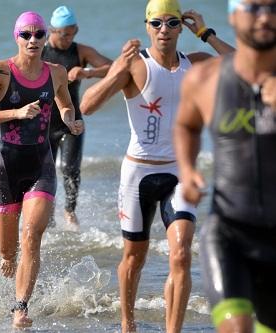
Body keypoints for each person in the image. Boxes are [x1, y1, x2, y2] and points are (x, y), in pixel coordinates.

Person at [79, 0, 234, 331]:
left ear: (182, 27)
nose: (164, 30)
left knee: (181, 255)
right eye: (157, 23)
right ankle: (128, 324)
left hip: (178, 173)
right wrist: (119, 66)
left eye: (172, 23)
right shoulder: (136, 66)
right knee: (134, 258)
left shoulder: (197, 64)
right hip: (138, 175)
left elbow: (245, 66)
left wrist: (206, 33)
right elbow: (87, 106)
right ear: (147, 27)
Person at [0, 11, 84, 328]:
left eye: (38, 34)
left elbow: (65, 102)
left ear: (45, 37)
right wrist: (17, 112)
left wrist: (69, 118)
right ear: (16, 37)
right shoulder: (1, 72)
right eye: (26, 35)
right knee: (8, 254)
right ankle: (5, 274)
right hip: (5, 167)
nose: (33, 40)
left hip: (41, 166)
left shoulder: (57, 72)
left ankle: (20, 307)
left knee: (31, 237)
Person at [174, 0, 276, 332]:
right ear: (233, 15)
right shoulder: (205, 79)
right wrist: (188, 171)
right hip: (229, 232)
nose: (265, 16)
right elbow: (186, 125)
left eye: (273, 8)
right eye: (254, 7)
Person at [41, 5, 113, 230]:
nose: (68, 39)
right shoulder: (39, 52)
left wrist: (87, 72)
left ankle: (70, 210)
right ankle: (48, 210)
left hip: (72, 121)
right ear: (52, 30)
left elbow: (114, 68)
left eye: (72, 33)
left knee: (71, 168)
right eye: (64, 34)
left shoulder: (80, 52)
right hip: (44, 123)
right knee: (46, 170)